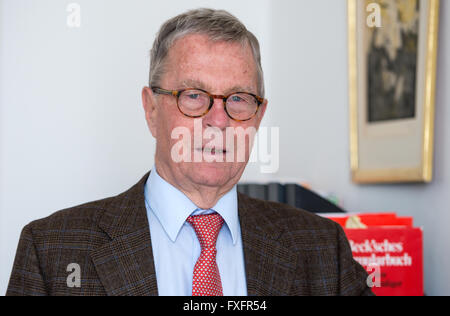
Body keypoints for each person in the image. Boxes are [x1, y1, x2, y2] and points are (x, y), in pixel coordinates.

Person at [6, 8, 373, 296]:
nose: (218, 121)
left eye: (239, 99)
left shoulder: (323, 249)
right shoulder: (52, 251)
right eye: (194, 96)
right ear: (151, 109)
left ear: (258, 115)